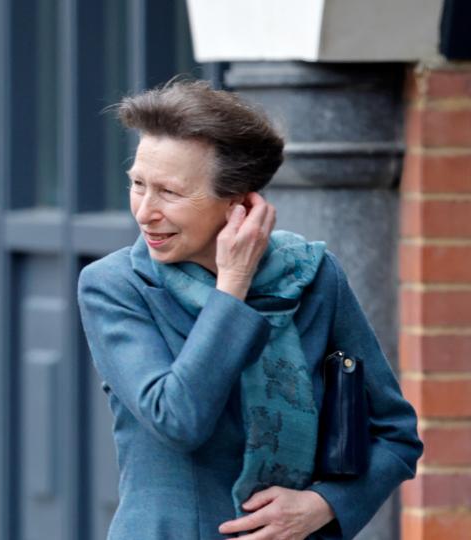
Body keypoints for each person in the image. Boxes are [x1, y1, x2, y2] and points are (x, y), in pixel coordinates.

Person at [77, 79, 422, 539]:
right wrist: (232, 285)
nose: (145, 212)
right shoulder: (116, 286)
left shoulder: (313, 276)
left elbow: (395, 433)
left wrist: (323, 505)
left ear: (239, 200)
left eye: (170, 193)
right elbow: (177, 419)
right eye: (138, 185)